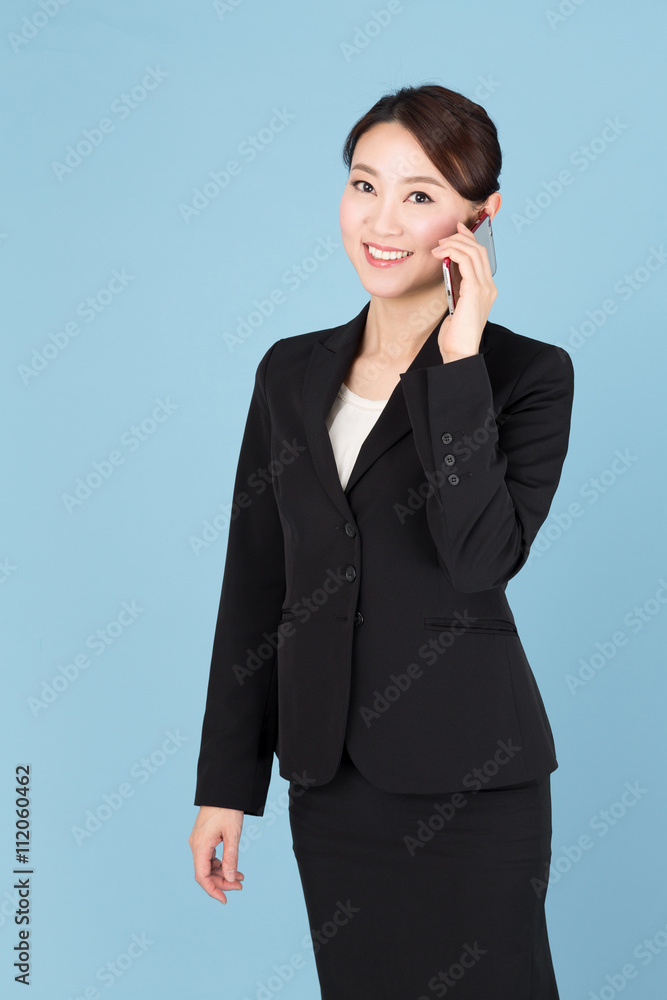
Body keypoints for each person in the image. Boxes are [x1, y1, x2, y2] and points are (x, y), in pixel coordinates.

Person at [189, 83, 574, 999]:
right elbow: (256, 579)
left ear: (477, 218)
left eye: (419, 193)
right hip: (332, 784)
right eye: (365, 185)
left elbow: (480, 559)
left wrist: (459, 362)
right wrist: (225, 783)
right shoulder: (289, 371)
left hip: (472, 782)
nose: (381, 219)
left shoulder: (526, 375)